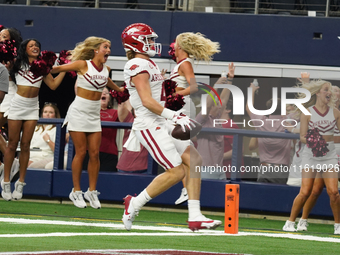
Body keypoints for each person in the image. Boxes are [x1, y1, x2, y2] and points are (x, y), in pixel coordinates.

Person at [120, 23, 221, 231]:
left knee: (194, 160)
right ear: (136, 42)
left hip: (162, 120)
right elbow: (147, 101)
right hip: (149, 124)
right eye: (148, 40)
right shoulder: (136, 65)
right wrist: (175, 116)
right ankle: (134, 203)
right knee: (176, 172)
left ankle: (195, 216)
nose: (153, 44)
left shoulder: (148, 63)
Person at [51, 36, 122, 209]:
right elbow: (55, 69)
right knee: (81, 152)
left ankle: (91, 191)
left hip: (93, 114)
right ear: (96, 49)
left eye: (110, 48)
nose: (109, 51)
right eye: (106, 47)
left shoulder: (107, 69)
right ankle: (76, 191)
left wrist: (125, 90)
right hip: (78, 112)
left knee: (95, 153)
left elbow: (113, 86)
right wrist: (45, 64)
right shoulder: (83, 64)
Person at [1, 39, 66, 201]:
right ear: (25, 49)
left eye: (37, 45)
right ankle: (6, 181)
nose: (35, 47)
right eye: (31, 45)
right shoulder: (17, 64)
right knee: (12, 144)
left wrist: (65, 69)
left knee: (25, 145)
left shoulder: (42, 67)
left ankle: (21, 183)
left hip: (32, 108)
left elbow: (53, 85)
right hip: (17, 105)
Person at [169, 32, 221, 204]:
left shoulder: (185, 63)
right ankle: (186, 188)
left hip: (182, 105)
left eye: (175, 44)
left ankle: (186, 188)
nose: (173, 47)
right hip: (179, 105)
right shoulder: (181, 63)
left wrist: (176, 95)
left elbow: (193, 87)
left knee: (181, 147)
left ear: (181, 47)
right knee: (179, 149)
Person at [282, 80, 340, 235]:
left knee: (333, 192)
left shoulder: (335, 113)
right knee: (306, 191)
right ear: (317, 93)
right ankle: (290, 222)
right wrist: (316, 142)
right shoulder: (307, 112)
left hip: (329, 157)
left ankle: (338, 225)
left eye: (330, 90)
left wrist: (327, 142)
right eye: (325, 90)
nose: (329, 92)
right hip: (311, 156)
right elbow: (302, 137)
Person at [246, 83, 292, 184]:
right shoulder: (287, 121)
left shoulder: (261, 121)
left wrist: (252, 90)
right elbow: (302, 111)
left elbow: (249, 108)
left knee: (262, 198)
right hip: (282, 170)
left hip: (264, 169)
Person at [196, 70, 234, 180]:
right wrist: (216, 86)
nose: (220, 107)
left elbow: (224, 99)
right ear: (211, 107)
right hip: (205, 169)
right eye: (217, 105)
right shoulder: (202, 119)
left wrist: (230, 80)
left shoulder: (216, 119)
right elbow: (207, 105)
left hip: (219, 169)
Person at [0, 27, 22, 179]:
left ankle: (10, 161)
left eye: (4, 37)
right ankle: (6, 164)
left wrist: (12, 67)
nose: (1, 39)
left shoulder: (17, 56)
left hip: (11, 93)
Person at [82, 86, 120, 172]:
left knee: (106, 181)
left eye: (106, 93)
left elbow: (127, 116)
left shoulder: (115, 112)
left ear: (109, 98)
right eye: (100, 92)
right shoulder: (89, 111)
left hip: (109, 153)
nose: (103, 93)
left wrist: (122, 97)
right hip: (90, 151)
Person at [116, 99, 148, 174]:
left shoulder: (154, 120)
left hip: (146, 168)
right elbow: (122, 104)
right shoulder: (129, 118)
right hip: (125, 167)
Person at [28, 102, 60, 169]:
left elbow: (58, 151)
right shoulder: (35, 128)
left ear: (55, 115)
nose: (47, 114)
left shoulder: (56, 129)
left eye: (51, 112)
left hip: (45, 156)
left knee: (29, 164)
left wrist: (48, 140)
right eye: (45, 112)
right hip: (30, 155)